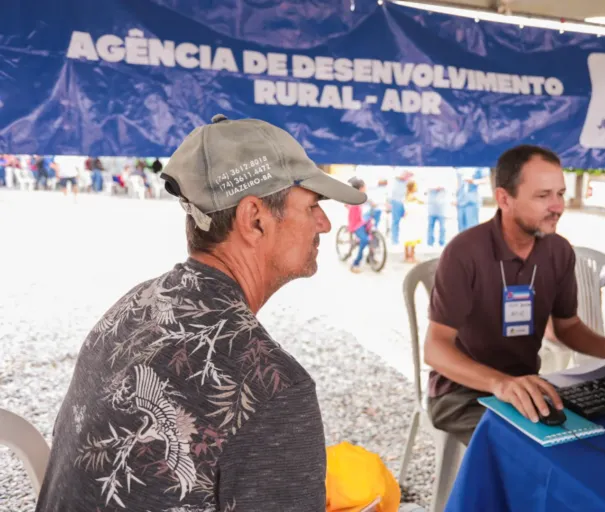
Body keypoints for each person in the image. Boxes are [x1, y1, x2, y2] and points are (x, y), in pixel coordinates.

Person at [35, 114, 366, 512]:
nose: (324, 224)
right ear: (254, 219)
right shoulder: (273, 388)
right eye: (312, 206)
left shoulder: (133, 305)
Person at [424, 145, 605, 446]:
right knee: (532, 449)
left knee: (601, 434)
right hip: (461, 393)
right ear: (504, 199)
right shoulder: (465, 252)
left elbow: (568, 327)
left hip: (527, 386)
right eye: (543, 195)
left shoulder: (558, 251)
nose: (557, 206)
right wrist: (501, 384)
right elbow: (435, 348)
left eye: (560, 194)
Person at [347, 177, 370, 273]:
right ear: (361, 188)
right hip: (356, 225)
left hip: (362, 222)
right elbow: (354, 220)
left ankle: (371, 257)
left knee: (373, 235)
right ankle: (355, 263)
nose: (366, 188)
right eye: (364, 186)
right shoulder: (355, 201)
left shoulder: (361, 198)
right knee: (365, 240)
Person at [455, 167, 488, 232]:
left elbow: (486, 179)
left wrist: (474, 181)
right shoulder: (460, 167)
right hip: (460, 200)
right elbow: (457, 182)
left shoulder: (480, 167)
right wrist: (454, 197)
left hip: (472, 200)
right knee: (461, 227)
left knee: (471, 226)